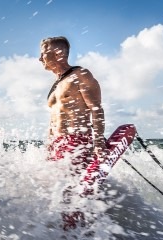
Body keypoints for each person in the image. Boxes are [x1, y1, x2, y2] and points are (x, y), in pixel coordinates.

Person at [39, 36, 107, 229]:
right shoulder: (55, 86)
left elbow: (96, 108)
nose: (39, 58)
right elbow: (53, 122)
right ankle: (62, 233)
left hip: (77, 142)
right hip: (58, 146)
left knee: (71, 191)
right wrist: (49, 147)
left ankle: (81, 232)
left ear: (59, 53)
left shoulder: (80, 74)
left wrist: (99, 142)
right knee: (56, 192)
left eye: (43, 53)